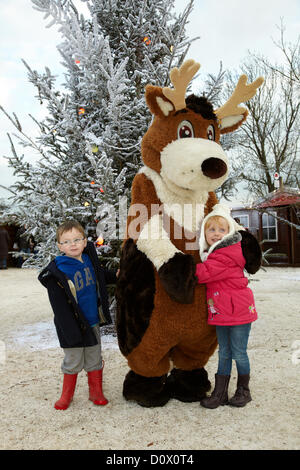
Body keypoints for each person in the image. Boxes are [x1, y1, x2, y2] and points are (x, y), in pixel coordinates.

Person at [38, 220, 118, 410]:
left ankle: (96, 392)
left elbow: (100, 276)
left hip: (92, 322)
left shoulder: (89, 260)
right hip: (71, 326)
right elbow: (59, 308)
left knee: (94, 357)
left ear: (84, 242)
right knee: (73, 360)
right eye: (66, 241)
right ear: (59, 246)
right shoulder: (57, 273)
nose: (72, 244)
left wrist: (116, 274)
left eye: (77, 239)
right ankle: (67, 395)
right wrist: (70, 333)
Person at [195, 204, 258, 409]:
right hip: (222, 311)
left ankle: (243, 390)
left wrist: (181, 264)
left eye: (222, 230)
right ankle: (220, 393)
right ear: (204, 233)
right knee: (224, 352)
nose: (216, 234)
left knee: (239, 352)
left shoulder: (227, 253)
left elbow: (203, 274)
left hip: (238, 312)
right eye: (211, 229)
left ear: (229, 232)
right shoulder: (212, 254)